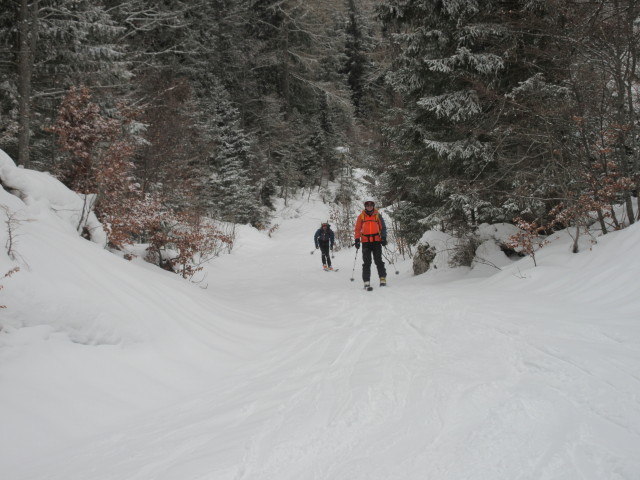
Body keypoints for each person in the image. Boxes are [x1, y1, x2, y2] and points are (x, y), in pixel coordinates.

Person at [354, 200, 387, 287]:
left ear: (373, 206)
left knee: (378, 260)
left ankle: (382, 278)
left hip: (376, 241)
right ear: (365, 207)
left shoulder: (377, 216)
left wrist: (383, 238)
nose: (369, 207)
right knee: (367, 262)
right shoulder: (361, 217)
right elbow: (357, 229)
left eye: (371, 205)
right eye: (367, 205)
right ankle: (366, 281)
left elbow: (383, 228)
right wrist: (357, 239)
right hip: (366, 242)